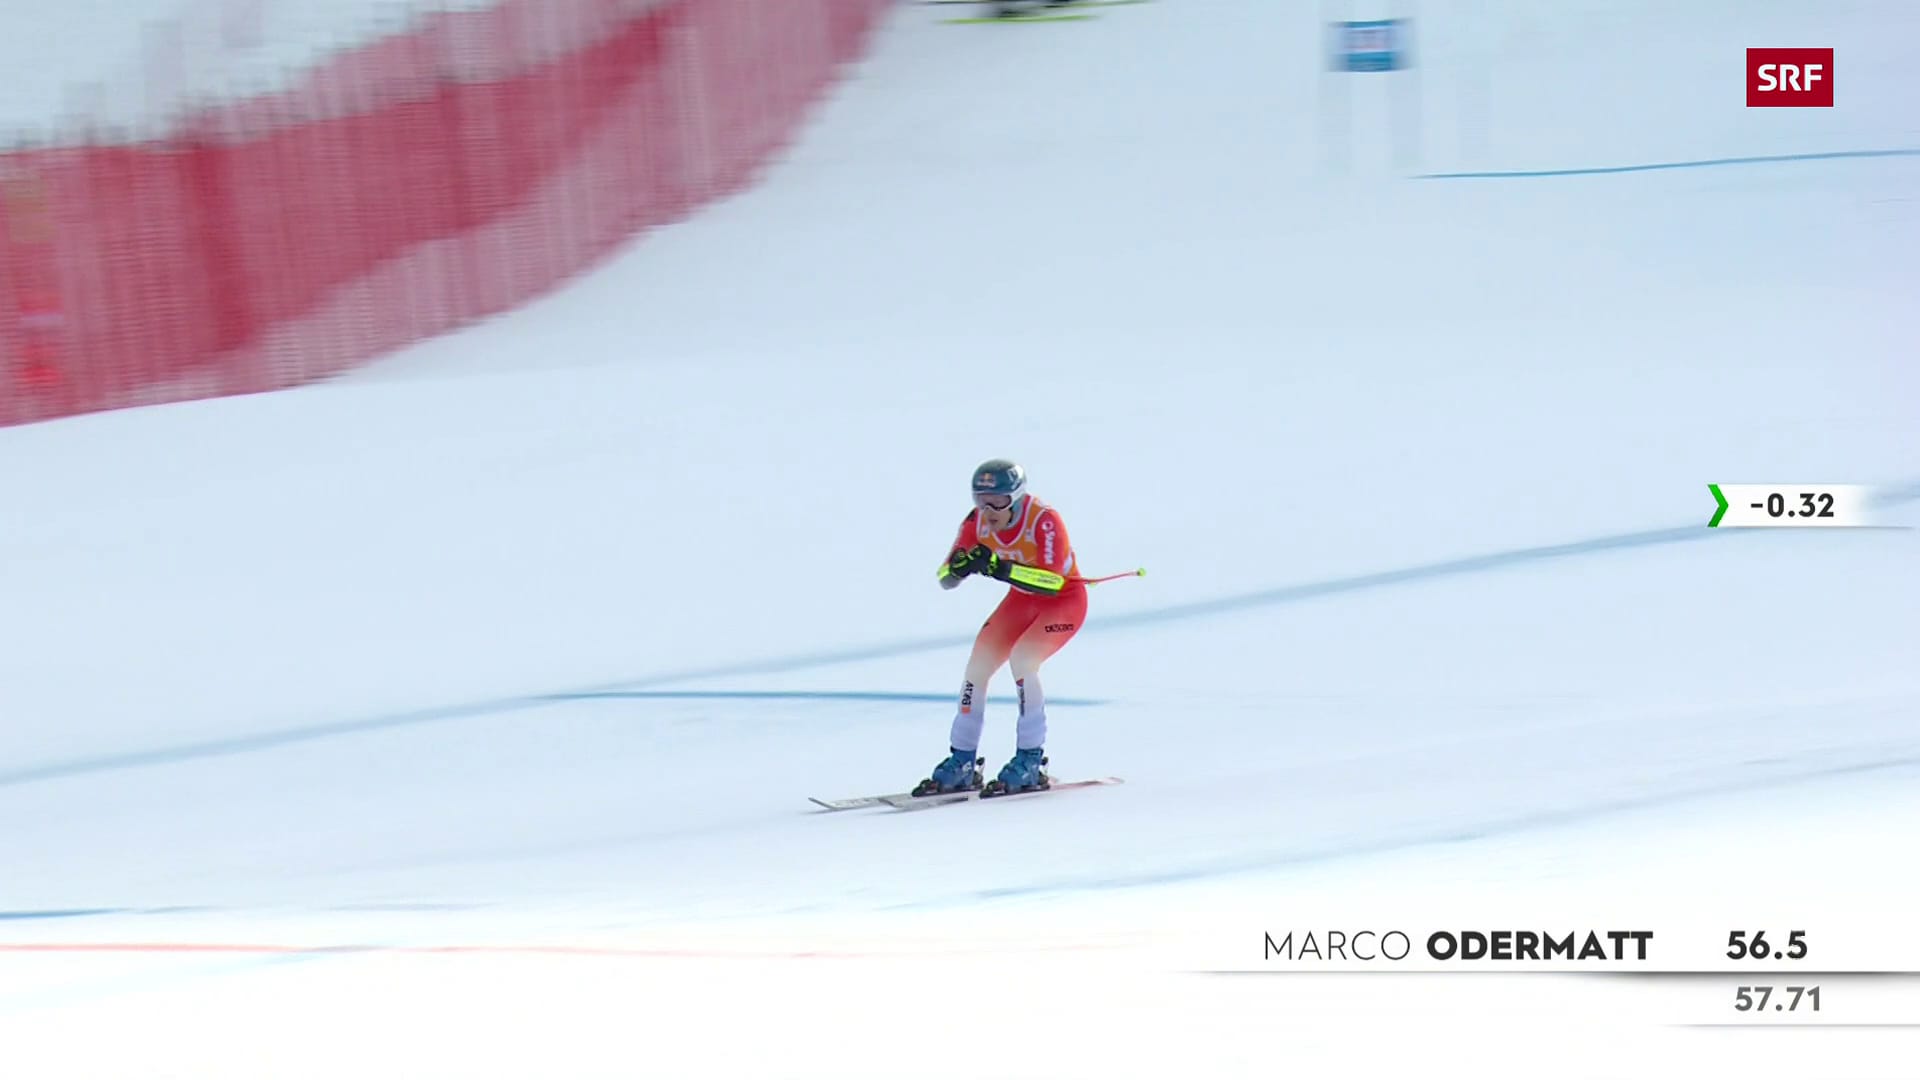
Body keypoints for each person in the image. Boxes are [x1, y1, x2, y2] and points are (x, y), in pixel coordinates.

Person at [915, 459, 1088, 797]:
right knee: (976, 666)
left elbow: (1052, 582)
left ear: (1018, 497)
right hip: (1022, 601)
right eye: (980, 500)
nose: (988, 510)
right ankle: (962, 758)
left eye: (998, 501)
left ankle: (1031, 758)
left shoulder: (1043, 520)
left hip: (1063, 601)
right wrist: (960, 568)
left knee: (1024, 661)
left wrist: (1000, 567)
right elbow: (944, 578)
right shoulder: (976, 522)